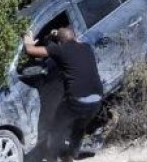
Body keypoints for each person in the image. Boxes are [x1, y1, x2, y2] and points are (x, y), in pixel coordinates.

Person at [23, 27, 104, 162]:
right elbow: (73, 40)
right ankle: (70, 156)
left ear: (60, 42)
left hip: (76, 102)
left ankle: (52, 158)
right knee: (79, 126)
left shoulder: (59, 50)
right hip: (96, 100)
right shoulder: (86, 47)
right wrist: (57, 35)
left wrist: (27, 39)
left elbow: (30, 50)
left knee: (55, 130)